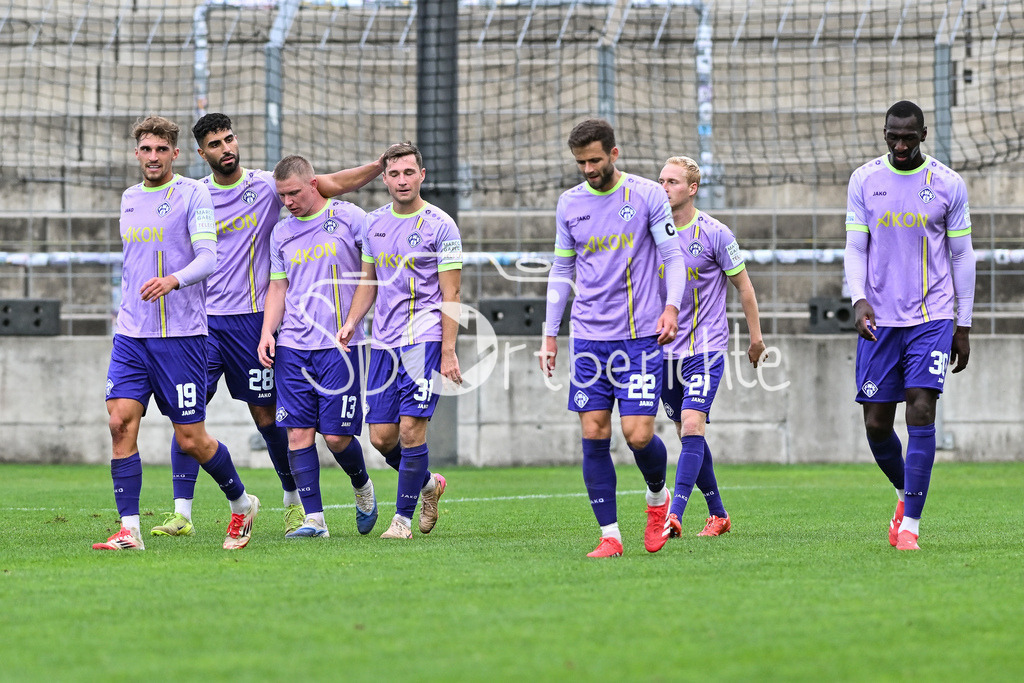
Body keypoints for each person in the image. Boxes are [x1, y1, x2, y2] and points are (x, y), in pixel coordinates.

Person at [151, 113, 384, 538]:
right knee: (189, 415)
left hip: (252, 320)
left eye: (229, 139)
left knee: (267, 415)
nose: (226, 149)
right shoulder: (194, 195)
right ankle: (181, 511)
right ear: (201, 153)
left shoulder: (265, 187)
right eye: (215, 144)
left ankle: (293, 501)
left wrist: (379, 166)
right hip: (201, 324)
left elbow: (328, 185)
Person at [95, 115, 259, 550]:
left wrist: (173, 280)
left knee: (191, 438)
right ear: (137, 154)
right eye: (145, 149)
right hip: (132, 335)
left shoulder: (193, 193)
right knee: (118, 423)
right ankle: (129, 530)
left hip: (181, 337)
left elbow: (209, 258)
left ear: (175, 153)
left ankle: (241, 504)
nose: (153, 157)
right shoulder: (129, 198)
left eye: (160, 150)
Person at [539, 119, 685, 558]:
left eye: (596, 160)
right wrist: (550, 335)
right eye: (581, 162)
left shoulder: (645, 195)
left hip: (639, 339)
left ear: (614, 154)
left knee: (638, 435)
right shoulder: (569, 204)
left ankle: (658, 498)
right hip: (588, 339)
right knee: (594, 430)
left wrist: (671, 307)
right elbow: (562, 271)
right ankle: (610, 535)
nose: (588, 169)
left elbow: (673, 257)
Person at [844, 100, 974, 551]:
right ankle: (904, 493)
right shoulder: (864, 180)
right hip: (879, 319)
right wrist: (858, 299)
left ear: (923, 134)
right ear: (884, 134)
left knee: (921, 408)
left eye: (908, 137)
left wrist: (964, 323)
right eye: (892, 137)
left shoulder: (947, 184)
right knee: (878, 426)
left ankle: (911, 527)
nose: (900, 145)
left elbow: (961, 256)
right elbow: (856, 248)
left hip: (931, 317)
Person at [337, 142, 461, 540]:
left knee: (411, 431)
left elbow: (451, 295)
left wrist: (448, 351)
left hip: (423, 339)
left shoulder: (442, 225)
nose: (402, 180)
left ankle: (402, 521)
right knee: (381, 437)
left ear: (421, 175)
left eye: (409, 172)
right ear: (384, 178)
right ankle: (428, 485)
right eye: (394, 174)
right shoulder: (374, 223)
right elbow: (368, 280)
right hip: (383, 342)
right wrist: (352, 322)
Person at [254, 155, 379, 538]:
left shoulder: (350, 217)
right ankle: (315, 520)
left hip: (338, 345)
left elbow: (372, 272)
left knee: (339, 437)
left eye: (294, 193)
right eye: (282, 195)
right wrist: (267, 332)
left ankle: (362, 486)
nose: (288, 202)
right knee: (297, 434)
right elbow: (279, 285)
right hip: (293, 346)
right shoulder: (281, 232)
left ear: (313, 184)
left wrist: (354, 321)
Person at [656, 156, 765, 541]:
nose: (664, 186)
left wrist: (756, 339)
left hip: (706, 347)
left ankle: (674, 514)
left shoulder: (715, 233)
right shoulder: (650, 232)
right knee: (687, 434)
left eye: (672, 181)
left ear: (692, 188)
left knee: (691, 424)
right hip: (664, 351)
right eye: (661, 180)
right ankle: (718, 514)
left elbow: (745, 289)